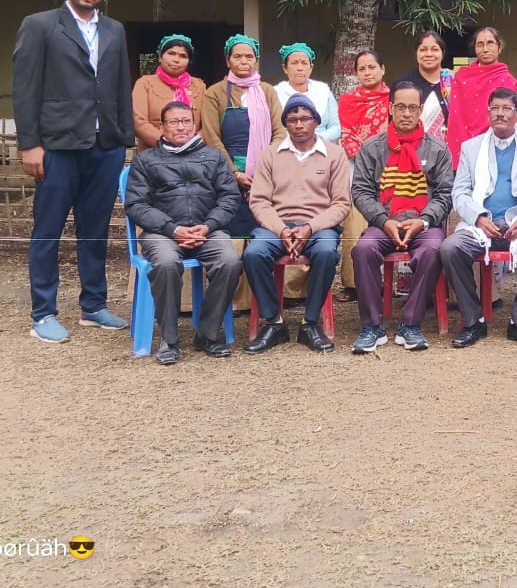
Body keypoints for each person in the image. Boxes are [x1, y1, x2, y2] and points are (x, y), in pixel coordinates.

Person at [13, 0, 134, 343]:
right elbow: (25, 88)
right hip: (56, 146)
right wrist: (30, 144)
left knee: (95, 230)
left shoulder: (114, 30)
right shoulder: (41, 26)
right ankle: (43, 313)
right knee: (48, 229)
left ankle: (93, 305)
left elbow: (120, 85)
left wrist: (122, 140)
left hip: (104, 146)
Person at [124, 101, 242, 364]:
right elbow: (136, 205)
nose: (181, 127)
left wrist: (209, 225)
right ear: (163, 127)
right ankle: (169, 339)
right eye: (174, 122)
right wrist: (173, 229)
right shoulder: (146, 160)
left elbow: (230, 197)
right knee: (166, 264)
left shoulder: (213, 157)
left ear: (194, 124)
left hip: (207, 230)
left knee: (230, 261)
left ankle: (208, 333)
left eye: (186, 121)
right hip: (162, 233)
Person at [439, 88, 517, 350]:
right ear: (488, 112)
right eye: (495, 108)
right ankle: (474, 321)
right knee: (450, 248)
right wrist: (478, 217)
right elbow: (460, 192)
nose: (500, 113)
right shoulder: (471, 148)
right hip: (482, 226)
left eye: (507, 109)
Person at [242, 94, 352, 354]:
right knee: (253, 254)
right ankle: (274, 322)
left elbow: (340, 204)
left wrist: (309, 228)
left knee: (326, 252)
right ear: (285, 124)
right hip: (276, 226)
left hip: (318, 227)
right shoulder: (271, 154)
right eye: (292, 120)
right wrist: (281, 229)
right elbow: (259, 201)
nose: (299, 125)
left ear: (316, 121)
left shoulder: (334, 154)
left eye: (305, 119)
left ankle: (310, 323)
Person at [349, 81, 453, 353]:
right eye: (401, 107)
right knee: (363, 250)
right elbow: (360, 191)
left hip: (423, 224)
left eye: (412, 108)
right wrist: (384, 221)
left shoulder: (437, 149)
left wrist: (424, 219)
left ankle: (410, 324)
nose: (406, 113)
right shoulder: (372, 147)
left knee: (434, 249)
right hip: (384, 223)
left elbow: (445, 193)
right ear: (390, 108)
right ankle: (372, 326)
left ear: (421, 110)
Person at [200, 34, 285, 238]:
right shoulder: (215, 93)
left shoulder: (267, 91)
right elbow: (212, 137)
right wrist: (235, 173)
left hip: (266, 174)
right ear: (228, 61)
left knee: (265, 234)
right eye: (237, 57)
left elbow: (280, 131)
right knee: (233, 234)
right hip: (226, 174)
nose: (244, 61)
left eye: (249, 56)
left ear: (256, 60)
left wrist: (265, 166)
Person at [335, 49, 393, 303]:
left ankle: (391, 283)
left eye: (372, 67)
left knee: (390, 219)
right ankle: (354, 283)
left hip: (392, 165)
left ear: (383, 69)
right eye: (362, 69)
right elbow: (347, 133)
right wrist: (366, 159)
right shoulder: (348, 101)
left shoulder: (393, 99)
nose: (367, 73)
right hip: (356, 165)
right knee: (356, 220)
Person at [445, 26, 517, 163]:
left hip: (495, 146)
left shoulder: (508, 81)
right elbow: (456, 116)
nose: (485, 49)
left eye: (490, 43)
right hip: (462, 143)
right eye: (480, 44)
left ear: (500, 47)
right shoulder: (462, 77)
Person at [132, 34, 207, 152]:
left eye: (183, 56)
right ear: (160, 57)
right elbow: (138, 122)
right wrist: (167, 144)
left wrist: (191, 144)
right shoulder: (145, 84)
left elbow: (208, 124)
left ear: (189, 61)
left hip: (193, 153)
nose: (176, 60)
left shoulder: (199, 86)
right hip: (154, 153)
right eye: (171, 53)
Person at [274, 42, 341, 145]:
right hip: (286, 148)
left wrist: (314, 142)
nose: (300, 68)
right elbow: (272, 130)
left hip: (322, 147)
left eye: (304, 63)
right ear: (285, 68)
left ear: (311, 68)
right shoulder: (275, 94)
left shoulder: (323, 91)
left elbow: (336, 127)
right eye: (294, 63)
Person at [396, 31, 454, 144]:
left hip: (447, 150)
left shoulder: (453, 81)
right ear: (416, 54)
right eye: (423, 50)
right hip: (410, 147)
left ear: (443, 53)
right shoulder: (403, 84)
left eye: (434, 49)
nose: (429, 54)